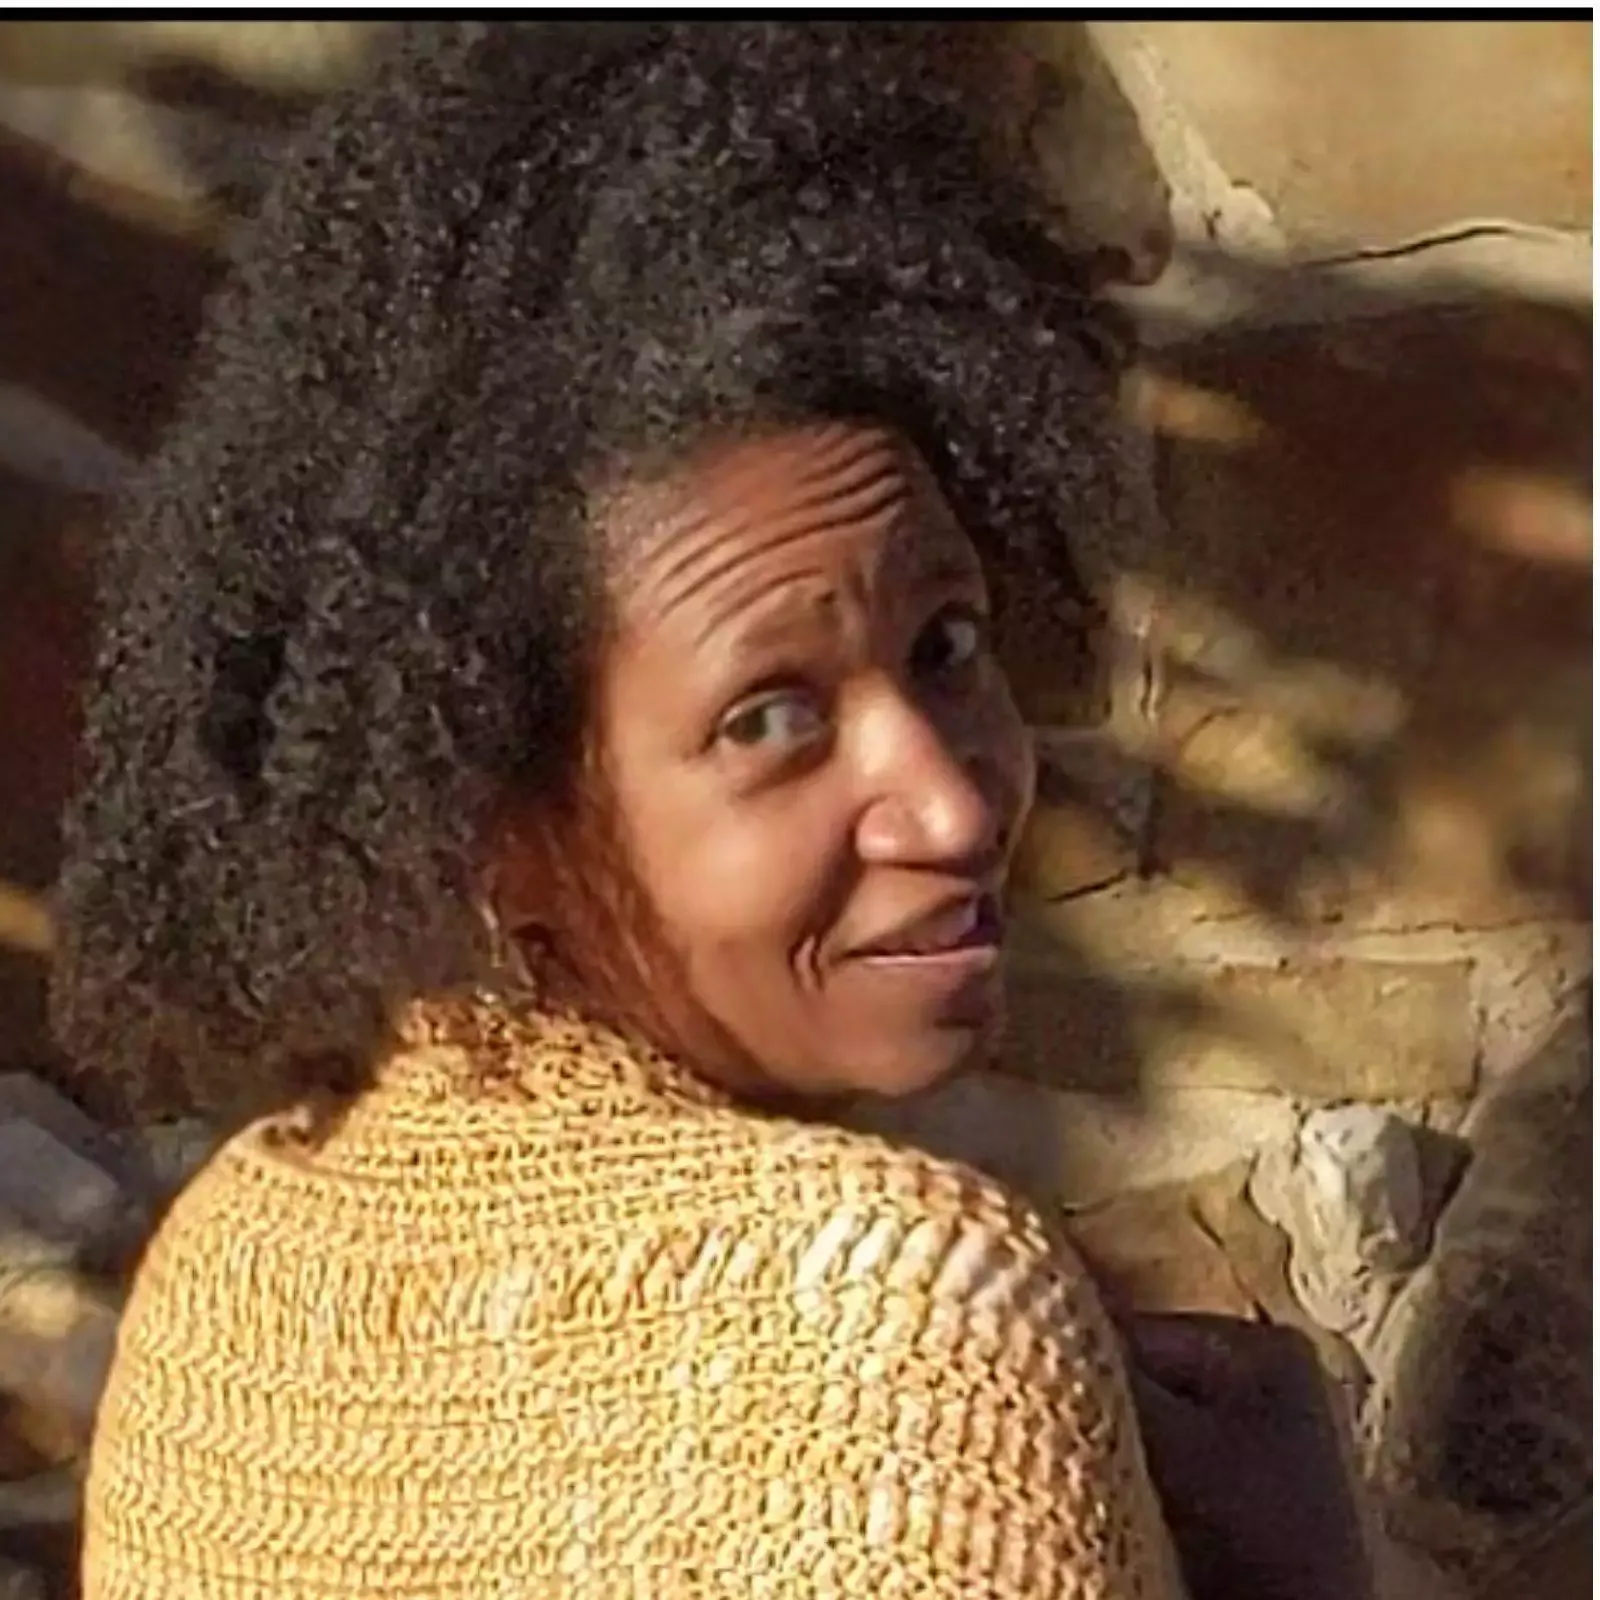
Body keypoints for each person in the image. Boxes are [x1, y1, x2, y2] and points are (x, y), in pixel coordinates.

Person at [55, 22, 1372, 1600]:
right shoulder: (912, 1322)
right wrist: (1305, 1572)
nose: (950, 800)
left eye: (945, 646)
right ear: (494, 823)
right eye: (771, 718)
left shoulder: (227, 1271)